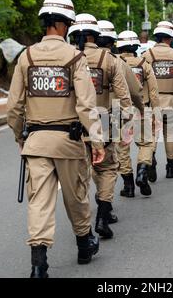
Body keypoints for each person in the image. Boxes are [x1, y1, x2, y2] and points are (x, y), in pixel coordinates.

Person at [6, 0, 105, 278]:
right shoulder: (75, 58)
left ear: (46, 22)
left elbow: (13, 107)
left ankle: (39, 265)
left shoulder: (26, 57)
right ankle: (85, 244)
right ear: (64, 25)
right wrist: (97, 141)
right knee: (76, 197)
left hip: (36, 141)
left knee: (39, 202)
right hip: (69, 142)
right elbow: (86, 105)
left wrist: (20, 137)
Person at [68, 13, 133, 239]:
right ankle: (103, 217)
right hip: (104, 123)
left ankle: (83, 230)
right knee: (106, 169)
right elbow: (125, 97)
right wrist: (128, 122)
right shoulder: (111, 61)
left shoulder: (70, 58)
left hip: (75, 126)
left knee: (80, 176)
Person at [96, 22, 146, 199]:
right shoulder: (117, 62)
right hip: (114, 112)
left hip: (86, 117)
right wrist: (139, 110)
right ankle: (127, 185)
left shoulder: (78, 59)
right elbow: (134, 91)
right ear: (112, 41)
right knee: (119, 150)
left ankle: (101, 193)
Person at [143, 21, 173, 179]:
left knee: (152, 134)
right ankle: (170, 169)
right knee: (170, 133)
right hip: (171, 100)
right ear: (170, 38)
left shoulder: (147, 55)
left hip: (152, 101)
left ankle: (151, 159)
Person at [117, 30, 161, 196]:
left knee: (122, 148)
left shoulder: (115, 63)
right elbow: (154, 93)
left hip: (118, 111)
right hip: (143, 109)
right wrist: (156, 114)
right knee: (146, 143)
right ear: (136, 45)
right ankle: (142, 171)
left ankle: (128, 186)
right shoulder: (144, 64)